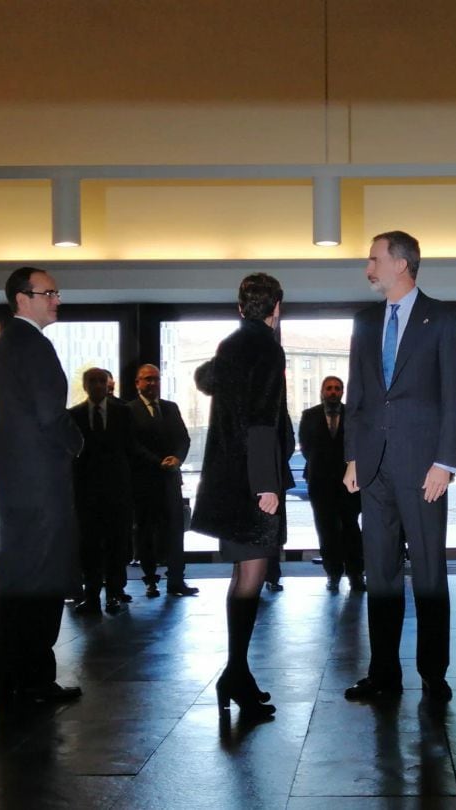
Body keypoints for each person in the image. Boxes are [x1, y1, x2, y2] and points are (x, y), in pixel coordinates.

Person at [342, 230, 456, 705]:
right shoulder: (365, 321)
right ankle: (383, 674)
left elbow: (455, 396)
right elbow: (357, 397)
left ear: (401, 263)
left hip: (424, 468)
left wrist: (444, 462)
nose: (368, 267)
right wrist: (353, 455)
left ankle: (434, 673)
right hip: (373, 466)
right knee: (380, 573)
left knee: (431, 571)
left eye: (373, 258)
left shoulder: (443, 318)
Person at [191, 272, 292, 722]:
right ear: (276, 308)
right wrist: (266, 485)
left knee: (242, 576)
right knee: (251, 577)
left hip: (227, 481)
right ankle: (235, 674)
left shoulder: (230, 345)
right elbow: (261, 421)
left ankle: (238, 674)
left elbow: (208, 379)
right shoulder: (267, 347)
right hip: (252, 482)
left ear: (239, 308)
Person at [0, 267, 84, 706]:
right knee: (42, 581)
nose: (56, 300)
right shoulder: (34, 346)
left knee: (16, 579)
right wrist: (78, 442)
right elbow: (50, 414)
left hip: (15, 481)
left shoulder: (3, 345)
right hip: (40, 482)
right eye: (49, 293)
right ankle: (35, 680)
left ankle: (9, 677)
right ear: (22, 298)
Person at [69, 368, 139, 614]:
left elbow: (131, 450)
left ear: (108, 384)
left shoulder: (124, 412)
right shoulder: (74, 415)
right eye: (93, 381)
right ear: (85, 385)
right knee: (88, 546)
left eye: (101, 381)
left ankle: (115, 593)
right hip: (86, 493)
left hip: (118, 491)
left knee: (117, 544)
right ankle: (91, 596)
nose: (98, 385)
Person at [128, 364, 197, 597]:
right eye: (147, 379)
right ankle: (150, 579)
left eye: (156, 379)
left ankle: (176, 580)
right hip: (144, 481)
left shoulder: (170, 408)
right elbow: (132, 444)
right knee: (146, 531)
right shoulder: (129, 410)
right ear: (137, 383)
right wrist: (158, 461)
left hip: (170, 480)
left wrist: (177, 458)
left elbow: (183, 438)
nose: (152, 383)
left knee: (176, 531)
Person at [299, 376, 364, 592]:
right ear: (322, 391)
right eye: (329, 388)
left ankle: (355, 574)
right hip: (320, 482)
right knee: (326, 530)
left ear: (342, 392)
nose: (333, 392)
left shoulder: (352, 415)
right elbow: (306, 447)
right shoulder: (309, 416)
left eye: (337, 388)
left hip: (349, 483)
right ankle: (333, 573)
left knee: (351, 529)